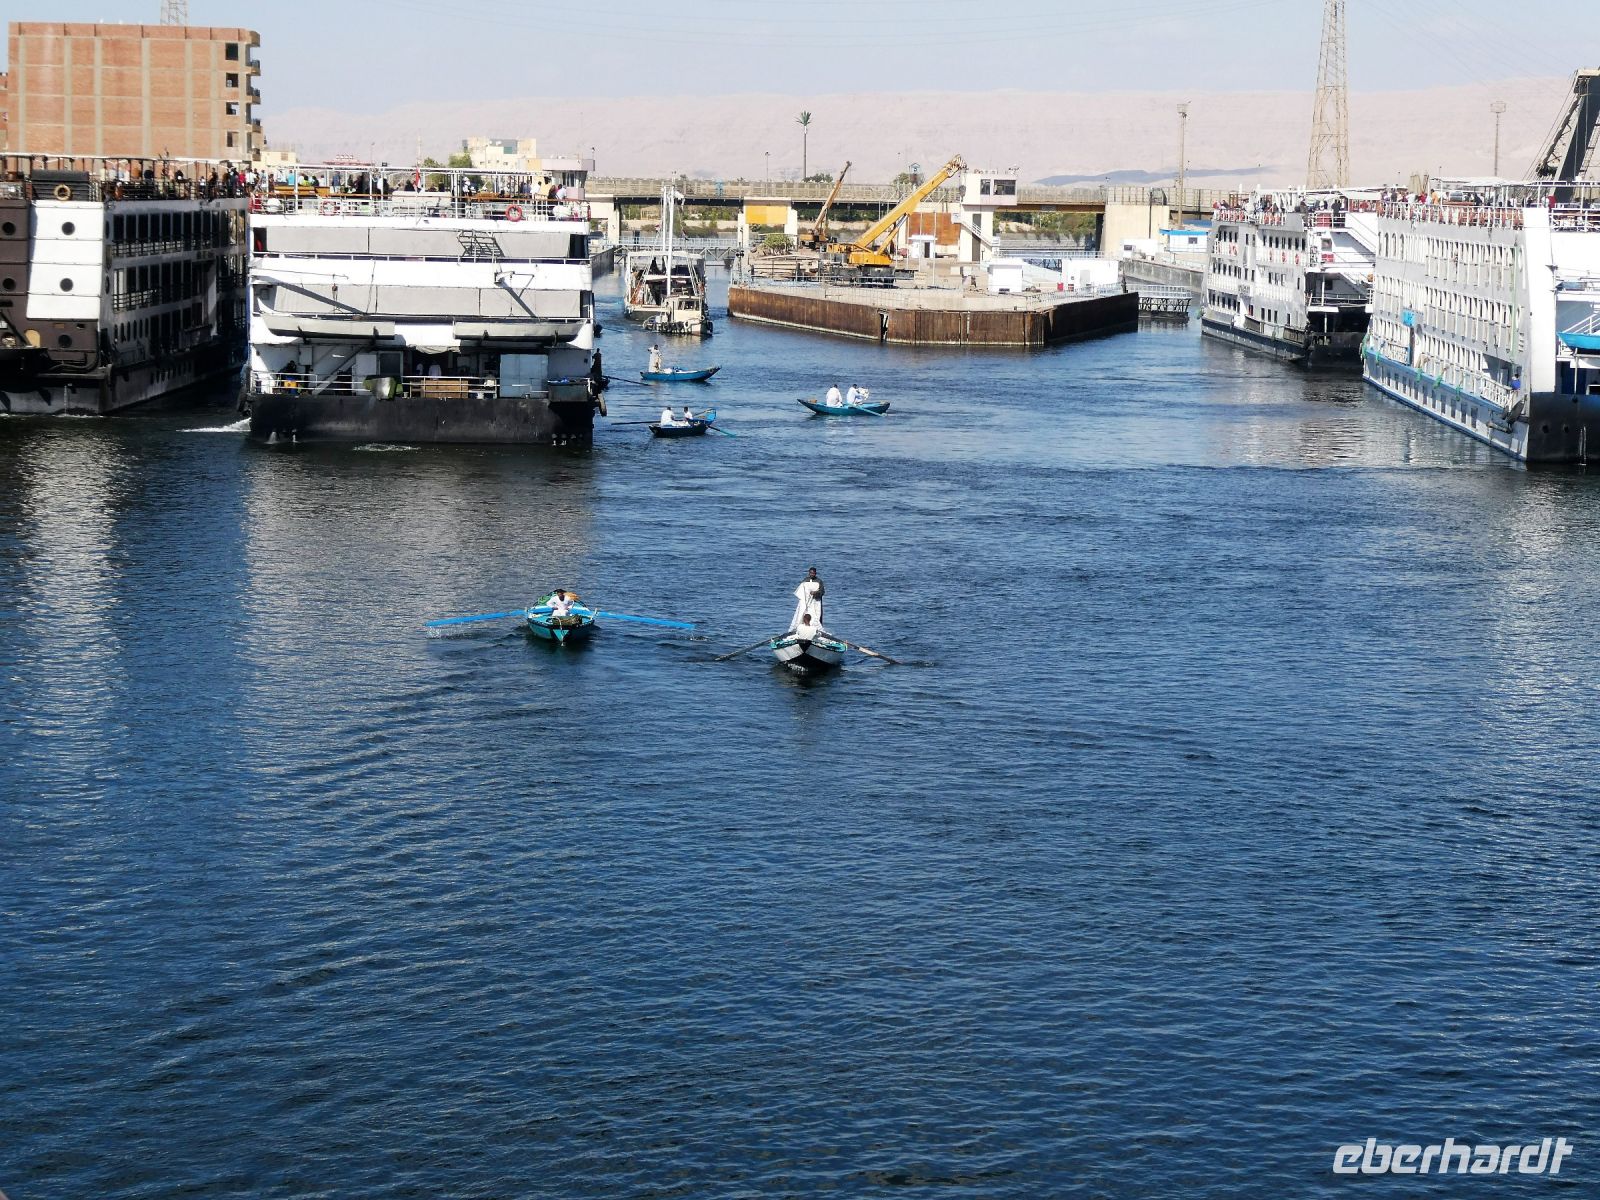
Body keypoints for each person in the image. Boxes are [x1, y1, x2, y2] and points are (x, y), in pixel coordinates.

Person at [792, 566, 824, 631]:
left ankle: (816, 629)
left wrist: (815, 593)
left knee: (816, 615)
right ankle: (802, 627)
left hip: (815, 602)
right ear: (809, 573)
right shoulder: (805, 581)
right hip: (805, 602)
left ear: (815, 573)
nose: (812, 574)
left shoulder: (819, 581)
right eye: (810, 573)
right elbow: (800, 591)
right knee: (802, 614)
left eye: (813, 573)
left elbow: (822, 592)